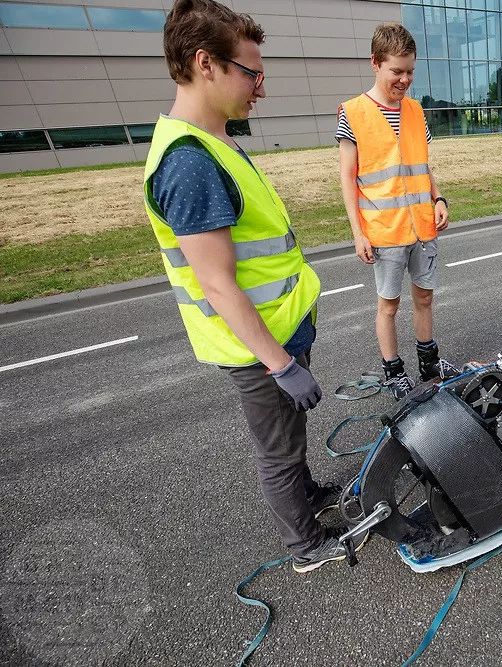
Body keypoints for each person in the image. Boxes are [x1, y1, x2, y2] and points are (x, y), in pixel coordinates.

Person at [143, 0, 363, 574]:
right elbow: (217, 284)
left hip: (282, 327)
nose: (260, 87)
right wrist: (280, 365)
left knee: (290, 442)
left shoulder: (214, 141)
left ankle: (308, 497)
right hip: (258, 347)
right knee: (278, 451)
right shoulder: (189, 161)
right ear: (205, 63)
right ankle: (305, 545)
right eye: (251, 72)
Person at [338, 23, 452, 400]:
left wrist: (439, 199)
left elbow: (423, 166)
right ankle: (393, 371)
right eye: (397, 71)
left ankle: (429, 361)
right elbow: (347, 180)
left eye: (410, 71)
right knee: (389, 306)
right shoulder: (353, 113)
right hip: (384, 230)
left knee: (425, 298)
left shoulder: (417, 111)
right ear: (375, 63)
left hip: (422, 226)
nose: (405, 79)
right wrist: (358, 234)